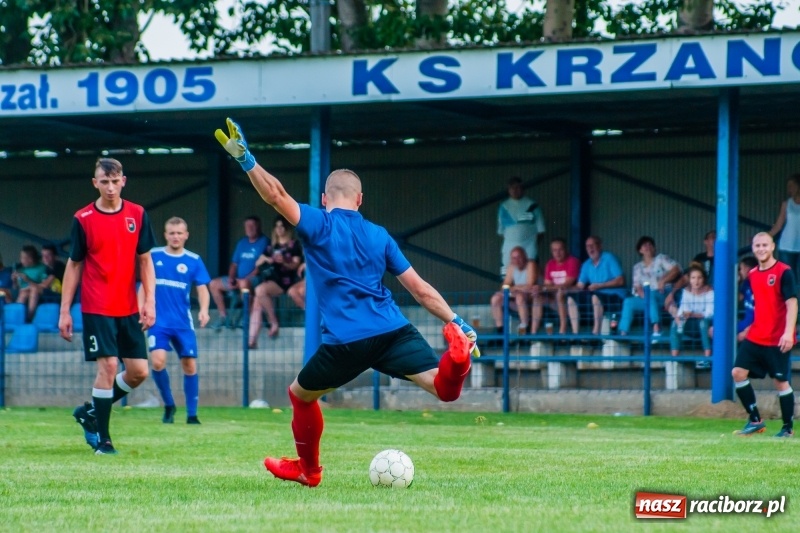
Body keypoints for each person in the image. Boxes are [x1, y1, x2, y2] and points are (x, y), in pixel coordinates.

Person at [215, 118, 479, 487]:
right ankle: (458, 359)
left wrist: (247, 161)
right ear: (360, 200)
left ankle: (309, 471)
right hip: (392, 330)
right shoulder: (379, 235)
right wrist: (456, 320)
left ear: (325, 199)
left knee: (300, 395)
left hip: (346, 341)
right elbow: (420, 290)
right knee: (444, 388)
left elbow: (276, 195)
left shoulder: (319, 223)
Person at [58, 158, 157, 455]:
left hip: (128, 306)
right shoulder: (83, 218)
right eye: (104, 182)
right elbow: (74, 264)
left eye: (115, 181)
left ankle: (90, 412)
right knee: (110, 365)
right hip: (97, 305)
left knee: (139, 372)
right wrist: (65, 310)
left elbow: (145, 261)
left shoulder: (137, 214)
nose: (110, 187)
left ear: (123, 181)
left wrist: (150, 301)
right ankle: (104, 441)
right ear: (95, 183)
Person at [144, 217, 211, 424]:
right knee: (157, 362)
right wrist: (141, 310)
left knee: (189, 365)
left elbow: (202, 289)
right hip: (158, 320)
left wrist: (204, 310)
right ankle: (169, 404)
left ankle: (192, 414)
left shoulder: (193, 260)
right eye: (172, 233)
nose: (176, 237)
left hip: (182, 322)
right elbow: (143, 285)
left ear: (186, 235)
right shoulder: (153, 255)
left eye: (179, 233)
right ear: (166, 235)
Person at [732, 232, 796, 438]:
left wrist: (788, 332)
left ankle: (787, 428)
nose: (761, 249)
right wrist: (749, 328)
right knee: (738, 372)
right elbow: (761, 306)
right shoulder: (752, 274)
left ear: (772, 247)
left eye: (764, 245)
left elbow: (792, 303)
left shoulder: (784, 271)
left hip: (777, 338)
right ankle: (755, 421)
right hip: (756, 335)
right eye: (757, 245)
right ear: (753, 248)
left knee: (780, 382)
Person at [248, 215, 305, 347]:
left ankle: (273, 322)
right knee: (257, 302)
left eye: (282, 226)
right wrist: (266, 259)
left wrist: (284, 261)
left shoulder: (294, 244)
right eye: (277, 226)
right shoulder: (272, 246)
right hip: (273, 279)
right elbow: (258, 262)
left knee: (259, 291)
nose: (279, 229)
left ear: (287, 228)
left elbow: (295, 264)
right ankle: (251, 341)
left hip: (289, 281)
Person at [208, 216, 269, 328]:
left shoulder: (264, 241)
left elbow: (260, 267)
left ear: (259, 226)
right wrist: (231, 279)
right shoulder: (242, 243)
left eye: (252, 225)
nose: (249, 228)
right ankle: (223, 317)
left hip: (255, 279)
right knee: (213, 284)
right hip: (239, 279)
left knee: (244, 284)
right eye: (247, 226)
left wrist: (244, 279)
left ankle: (246, 319)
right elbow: (234, 264)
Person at [618, 236, 681, 339]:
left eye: (650, 244)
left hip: (663, 295)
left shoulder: (660, 259)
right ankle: (623, 333)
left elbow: (676, 269)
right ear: (640, 250)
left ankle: (656, 328)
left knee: (650, 294)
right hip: (646, 297)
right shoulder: (637, 267)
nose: (647, 246)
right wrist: (644, 295)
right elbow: (637, 287)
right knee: (628, 302)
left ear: (654, 248)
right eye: (644, 245)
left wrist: (663, 280)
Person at [568, 236, 626, 335]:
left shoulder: (609, 258)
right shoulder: (586, 264)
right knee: (571, 298)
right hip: (597, 297)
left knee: (595, 297)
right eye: (587, 246)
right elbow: (579, 286)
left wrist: (600, 286)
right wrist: (564, 290)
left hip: (615, 296)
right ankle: (575, 335)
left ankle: (596, 332)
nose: (590, 248)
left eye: (592, 245)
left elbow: (621, 281)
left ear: (600, 246)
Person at [497, 176, 546, 277]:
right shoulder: (503, 207)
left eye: (517, 187)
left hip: (529, 247)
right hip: (508, 248)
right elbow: (501, 231)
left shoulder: (532, 205)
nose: (515, 190)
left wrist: (532, 244)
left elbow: (541, 231)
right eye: (512, 188)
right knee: (506, 275)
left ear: (523, 188)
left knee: (531, 274)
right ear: (508, 190)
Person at [531, 238, 580, 335]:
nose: (557, 253)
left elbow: (567, 284)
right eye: (554, 250)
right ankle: (533, 333)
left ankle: (563, 329)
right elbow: (547, 284)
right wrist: (539, 289)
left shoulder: (572, 261)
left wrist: (545, 288)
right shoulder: (550, 264)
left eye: (560, 249)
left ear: (566, 249)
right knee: (537, 297)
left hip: (571, 300)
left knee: (560, 292)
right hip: (554, 300)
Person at [667, 262, 714, 360]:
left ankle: (707, 356)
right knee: (675, 324)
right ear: (689, 279)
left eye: (699, 278)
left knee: (703, 323)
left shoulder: (710, 292)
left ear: (704, 279)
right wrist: (678, 317)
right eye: (693, 278)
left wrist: (692, 314)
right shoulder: (686, 292)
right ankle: (674, 358)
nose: (696, 281)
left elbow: (709, 313)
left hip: (707, 324)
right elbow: (683, 310)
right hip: (690, 323)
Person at [489, 246, 538, 336]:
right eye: (514, 258)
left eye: (519, 257)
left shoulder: (530, 264)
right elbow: (504, 286)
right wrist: (515, 288)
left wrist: (513, 288)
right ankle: (500, 331)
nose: (517, 260)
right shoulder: (512, 266)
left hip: (532, 300)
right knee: (495, 298)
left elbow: (530, 285)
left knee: (519, 297)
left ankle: (525, 329)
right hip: (517, 298)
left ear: (525, 256)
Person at [664, 230, 716, 311]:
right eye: (712, 237)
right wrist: (672, 293)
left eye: (716, 237)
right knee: (677, 295)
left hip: (713, 292)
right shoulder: (700, 258)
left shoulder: (724, 258)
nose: (715, 239)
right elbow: (686, 277)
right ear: (705, 241)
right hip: (697, 290)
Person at [769, 173, 800, 274]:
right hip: (787, 245)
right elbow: (778, 225)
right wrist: (766, 236)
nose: (789, 189)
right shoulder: (787, 204)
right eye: (788, 186)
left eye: (792, 185)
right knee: (787, 277)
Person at [12, 244, 49, 321]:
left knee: (33, 289)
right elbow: (16, 288)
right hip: (24, 292)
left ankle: (30, 316)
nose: (21, 260)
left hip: (39, 291)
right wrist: (14, 280)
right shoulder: (21, 269)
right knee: (24, 293)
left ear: (30, 259)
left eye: (23, 258)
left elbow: (44, 285)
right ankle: (17, 317)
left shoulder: (42, 267)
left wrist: (27, 280)